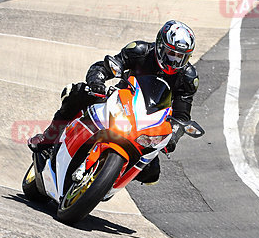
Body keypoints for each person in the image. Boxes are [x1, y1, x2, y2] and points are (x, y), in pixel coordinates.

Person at [28, 20, 199, 185]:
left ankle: (109, 178)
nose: (174, 61)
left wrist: (174, 135)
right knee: (78, 93)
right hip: (120, 101)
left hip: (148, 122)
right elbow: (105, 66)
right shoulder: (140, 50)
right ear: (161, 46)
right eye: (171, 54)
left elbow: (181, 115)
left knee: (152, 174)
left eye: (180, 57)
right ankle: (49, 137)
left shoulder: (188, 78)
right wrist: (97, 82)